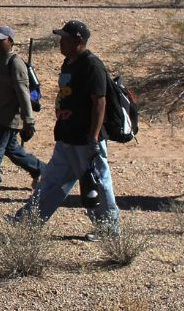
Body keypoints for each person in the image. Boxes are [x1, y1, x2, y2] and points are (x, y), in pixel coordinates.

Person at [12, 20, 119, 237]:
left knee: (97, 182)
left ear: (78, 41)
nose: (60, 43)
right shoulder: (69, 63)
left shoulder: (92, 65)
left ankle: (109, 229)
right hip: (67, 135)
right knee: (53, 180)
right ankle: (29, 220)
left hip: (86, 138)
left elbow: (100, 102)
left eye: (65, 39)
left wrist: (94, 137)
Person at [0, 26, 46, 194]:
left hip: (10, 116)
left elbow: (23, 93)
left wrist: (29, 120)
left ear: (10, 42)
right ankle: (42, 169)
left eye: (1, 40)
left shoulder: (15, 63)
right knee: (12, 150)